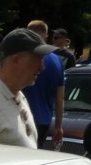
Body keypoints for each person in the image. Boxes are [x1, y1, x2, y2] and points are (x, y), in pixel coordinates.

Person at [23, 19, 66, 148]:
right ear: (45, 35)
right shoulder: (57, 61)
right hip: (44, 120)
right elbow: (60, 98)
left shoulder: (23, 58)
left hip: (23, 118)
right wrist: (58, 126)